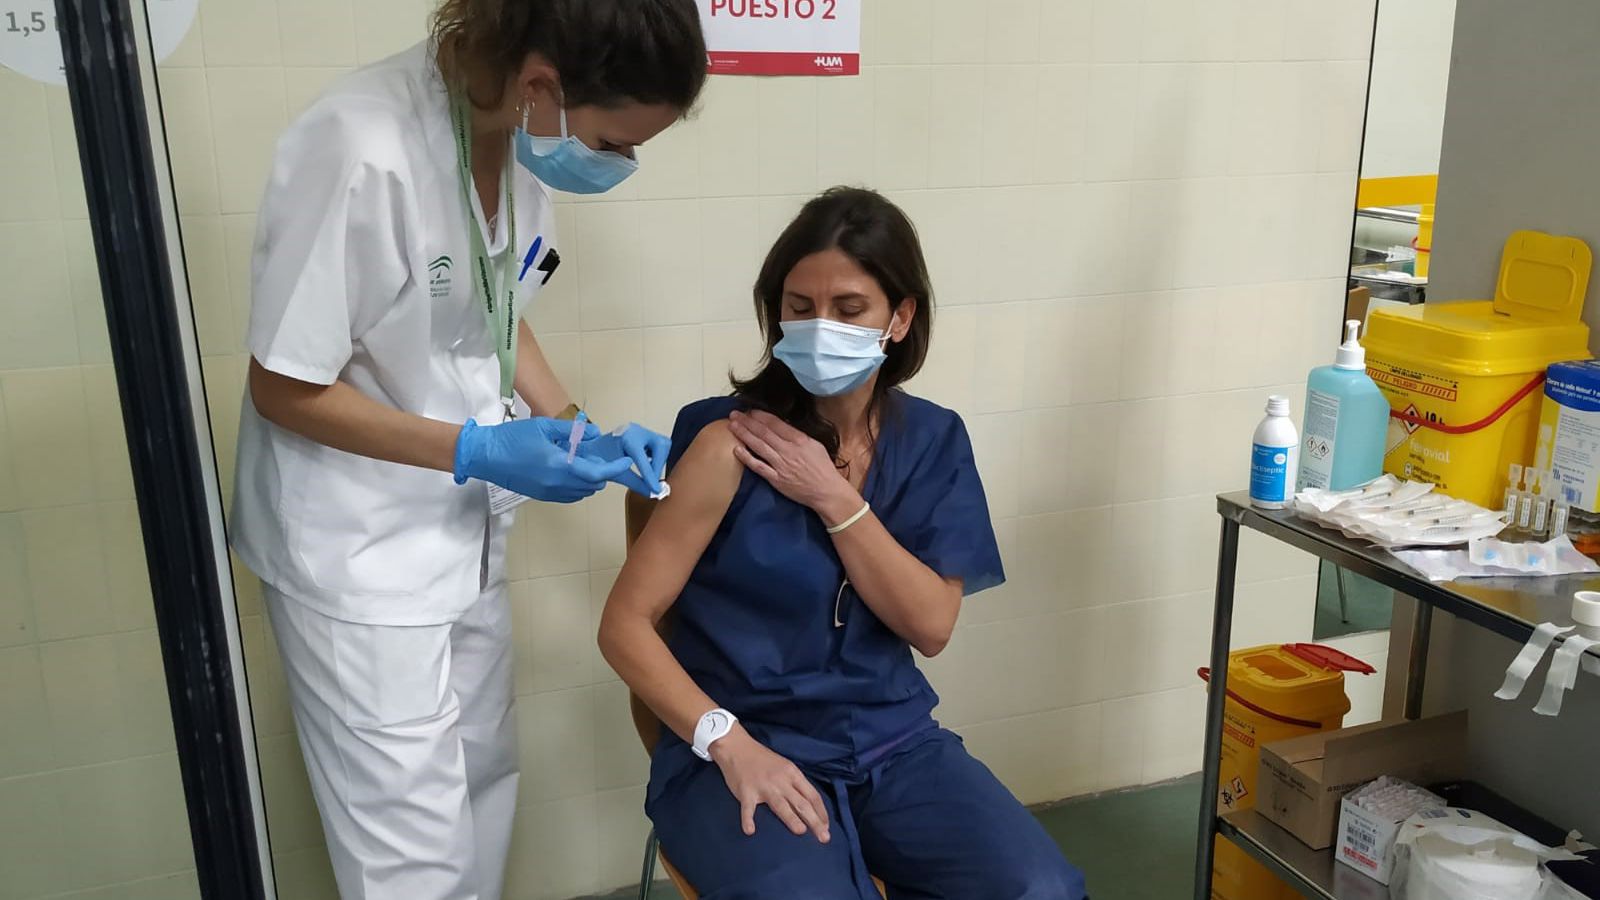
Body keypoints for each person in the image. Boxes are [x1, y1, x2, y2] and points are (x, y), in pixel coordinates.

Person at [229, 2, 707, 897]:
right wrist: (478, 450)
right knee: (412, 858)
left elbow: (500, 305)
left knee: (483, 796)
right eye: (609, 141)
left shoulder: (513, 140)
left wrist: (573, 421)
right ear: (540, 85)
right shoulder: (359, 147)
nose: (614, 163)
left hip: (466, 534)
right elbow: (283, 386)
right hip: (359, 556)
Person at [598, 188, 1089, 899]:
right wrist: (728, 745)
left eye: (850, 308)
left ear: (900, 317)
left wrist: (834, 498)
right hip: (744, 742)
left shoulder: (933, 440)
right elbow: (624, 625)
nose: (819, 327)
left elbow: (930, 625)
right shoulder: (727, 444)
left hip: (893, 743)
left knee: (1039, 890)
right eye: (799, 307)